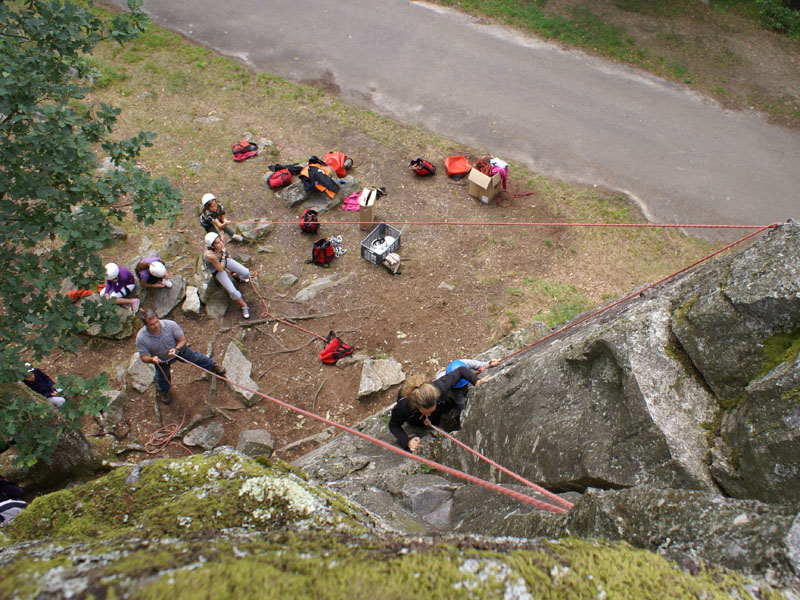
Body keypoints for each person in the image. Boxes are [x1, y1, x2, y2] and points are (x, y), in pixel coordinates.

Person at [388, 365, 491, 453]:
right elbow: (393, 425)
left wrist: (476, 381)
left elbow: (461, 370)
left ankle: (435, 414)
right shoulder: (404, 408)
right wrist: (407, 442)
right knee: (423, 421)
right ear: (417, 406)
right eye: (427, 413)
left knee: (436, 414)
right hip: (415, 418)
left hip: (437, 408)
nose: (428, 415)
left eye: (430, 412)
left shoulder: (440, 387)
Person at [135, 309, 226, 404]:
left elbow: (182, 340)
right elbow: (143, 357)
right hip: (161, 360)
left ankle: (213, 366)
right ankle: (165, 390)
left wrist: (176, 349)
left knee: (196, 358)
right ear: (146, 325)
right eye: (152, 324)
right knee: (161, 377)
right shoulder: (141, 338)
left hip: (179, 352)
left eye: (156, 322)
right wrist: (152, 359)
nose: (156, 325)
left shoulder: (170, 325)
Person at [203, 231, 251, 319]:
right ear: (212, 245)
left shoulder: (219, 244)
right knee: (233, 292)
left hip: (224, 260)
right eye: (218, 243)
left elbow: (225, 254)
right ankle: (244, 306)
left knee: (246, 273)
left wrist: (226, 256)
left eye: (220, 241)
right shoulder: (210, 255)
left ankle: (238, 277)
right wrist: (224, 254)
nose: (221, 243)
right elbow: (220, 268)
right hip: (217, 270)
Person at [434, 358, 501, 410]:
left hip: (457, 384)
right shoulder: (442, 381)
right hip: (452, 389)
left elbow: (480, 365)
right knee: (461, 402)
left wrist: (490, 363)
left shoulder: (464, 363)